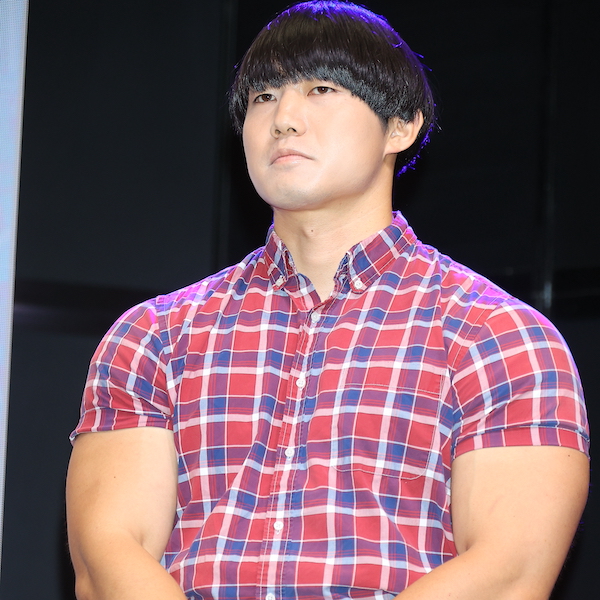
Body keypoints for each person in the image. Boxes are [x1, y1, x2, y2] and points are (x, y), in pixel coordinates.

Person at [66, 2, 590, 599]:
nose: (284, 118)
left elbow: (508, 572)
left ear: (400, 126)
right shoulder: (154, 336)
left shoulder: (498, 336)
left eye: (320, 89)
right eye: (263, 97)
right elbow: (109, 557)